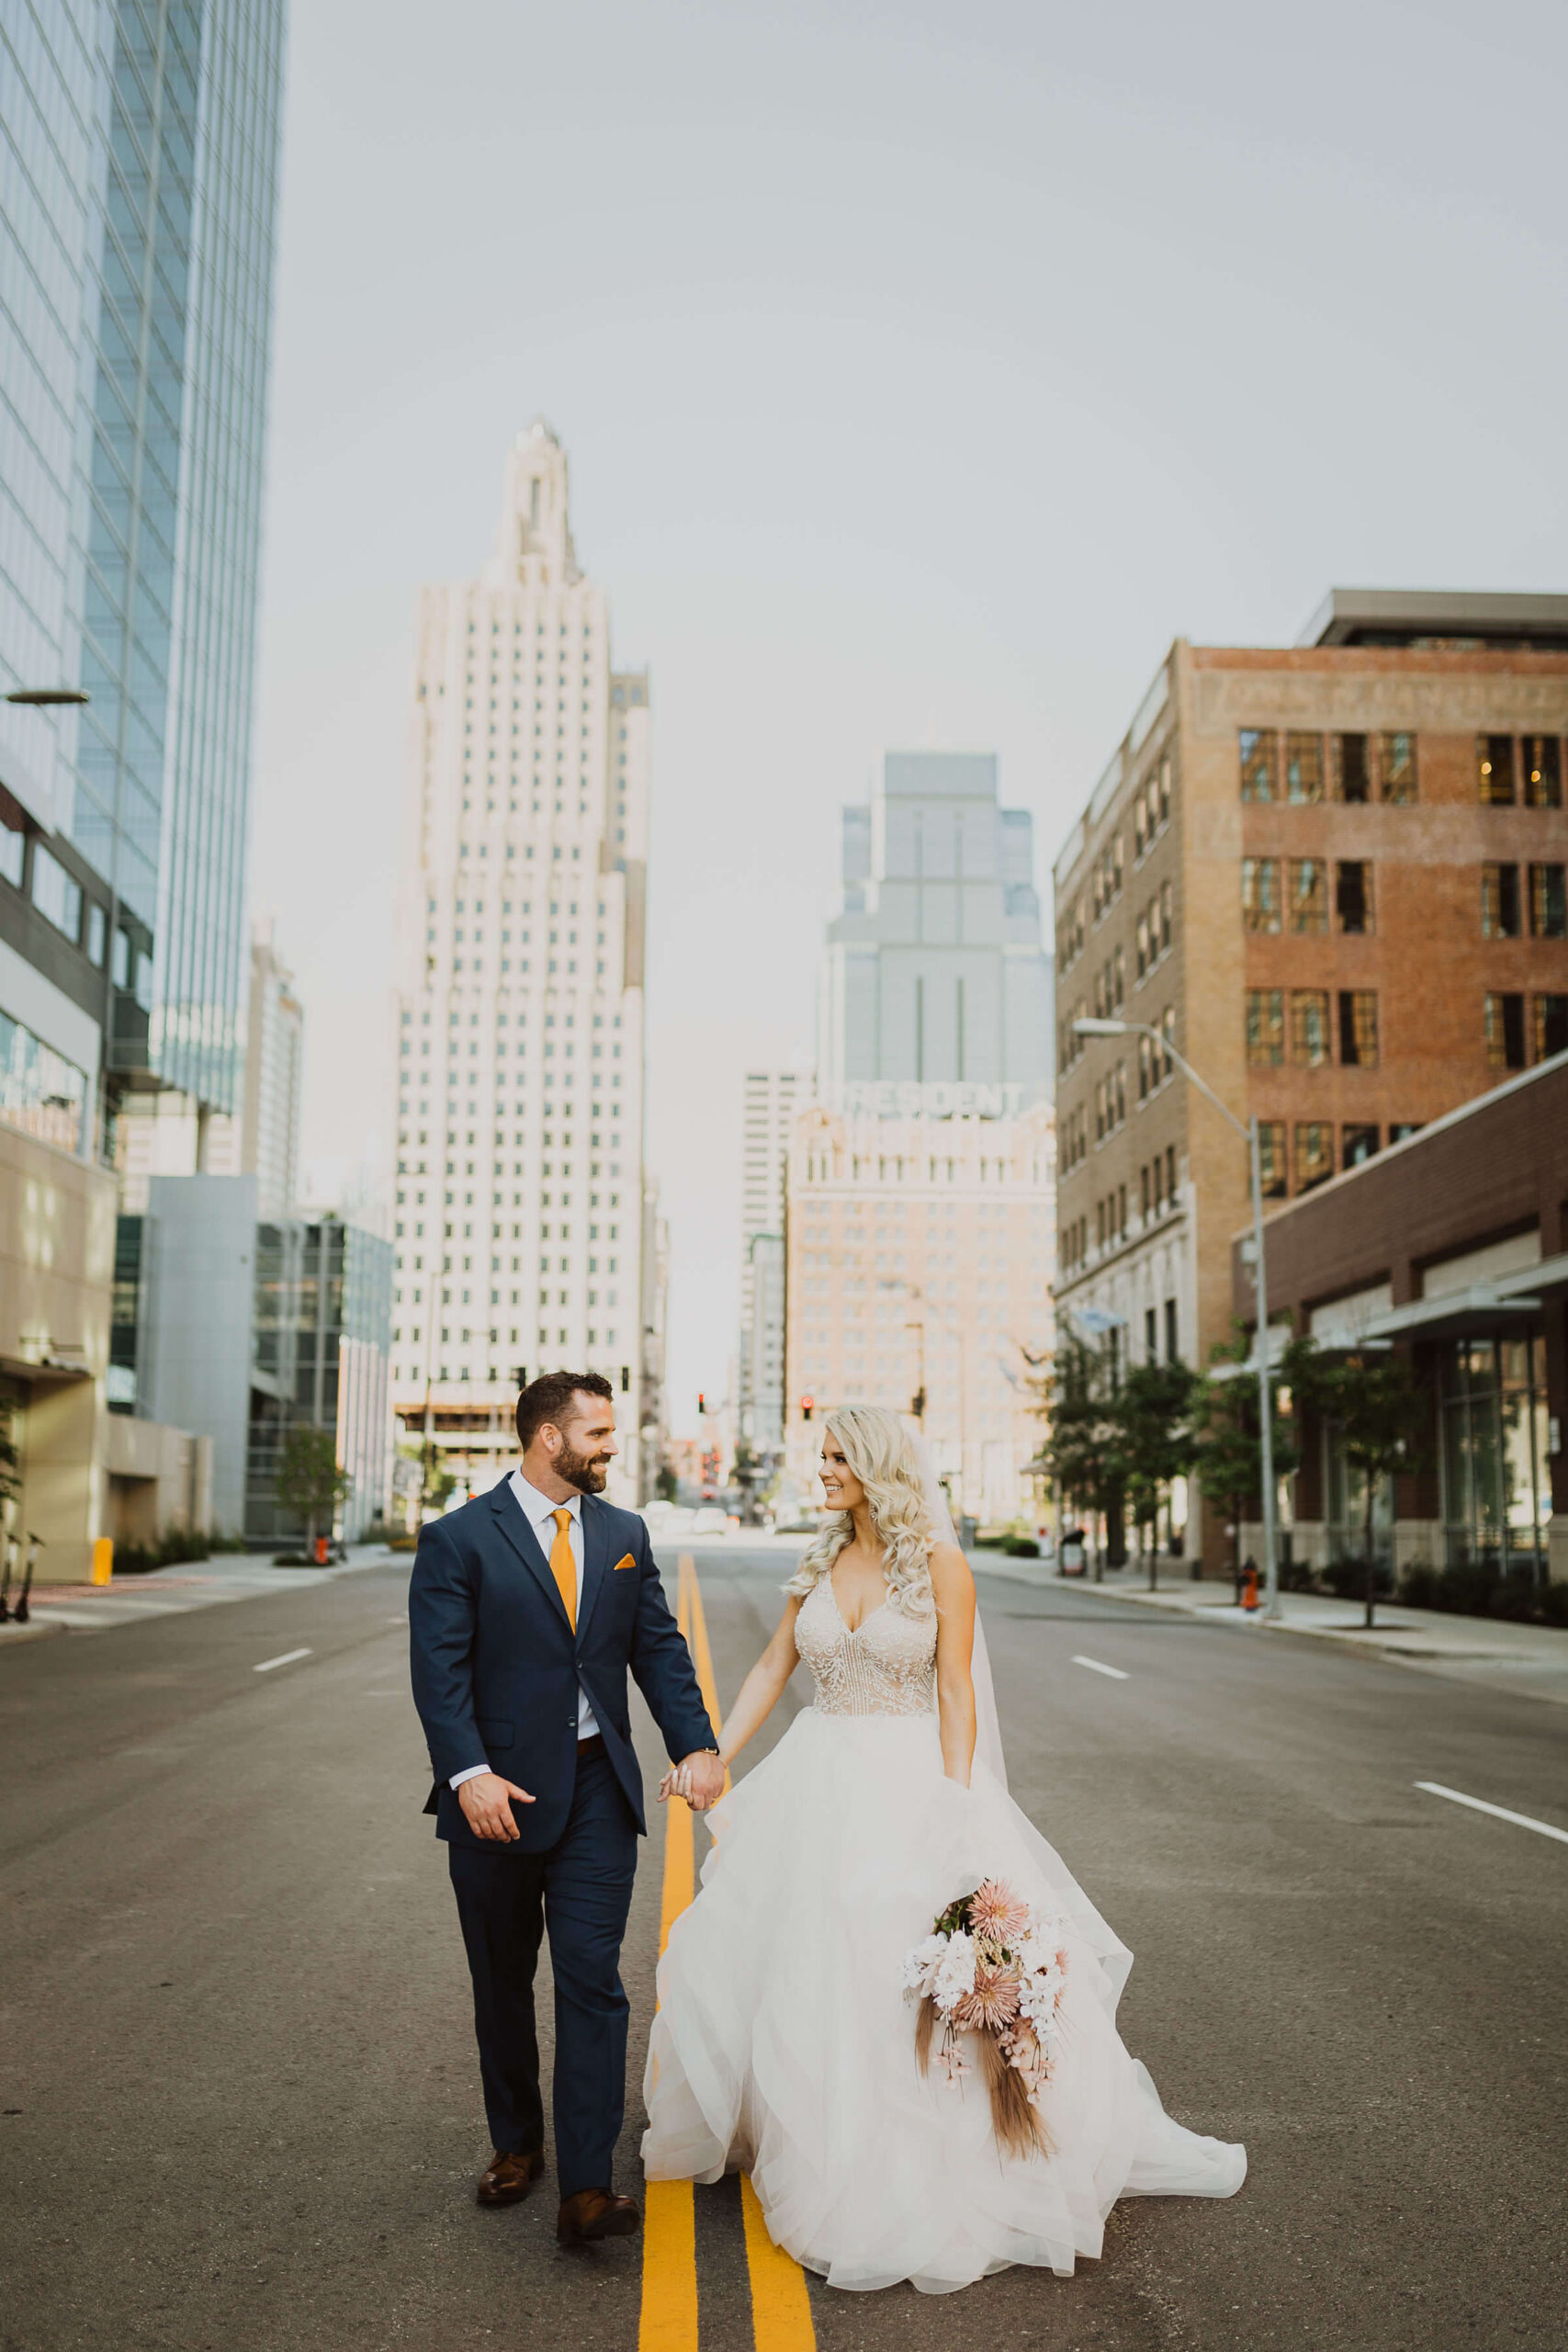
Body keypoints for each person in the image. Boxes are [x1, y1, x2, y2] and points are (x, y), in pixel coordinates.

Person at [642, 1403, 1246, 2294]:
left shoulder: (941, 1567)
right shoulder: (815, 1559)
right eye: (824, 1455)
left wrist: (960, 1808)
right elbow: (775, 1666)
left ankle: (912, 2158)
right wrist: (713, 1756)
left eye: (840, 1455)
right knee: (814, 1965)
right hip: (817, 1781)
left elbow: (958, 1691)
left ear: (880, 1463)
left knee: (901, 1964)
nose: (826, 1469)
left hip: (910, 1781)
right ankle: (821, 2127)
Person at [409, 1370, 725, 2245]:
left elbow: (656, 1647)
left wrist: (693, 1743)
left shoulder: (623, 1533)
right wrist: (467, 1772)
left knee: (591, 1980)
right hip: (496, 1799)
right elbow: (438, 1675)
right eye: (596, 1435)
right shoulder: (458, 1540)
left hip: (595, 1788)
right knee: (503, 1983)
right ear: (548, 1437)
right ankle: (517, 2145)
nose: (610, 1447)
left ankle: (586, 2187)